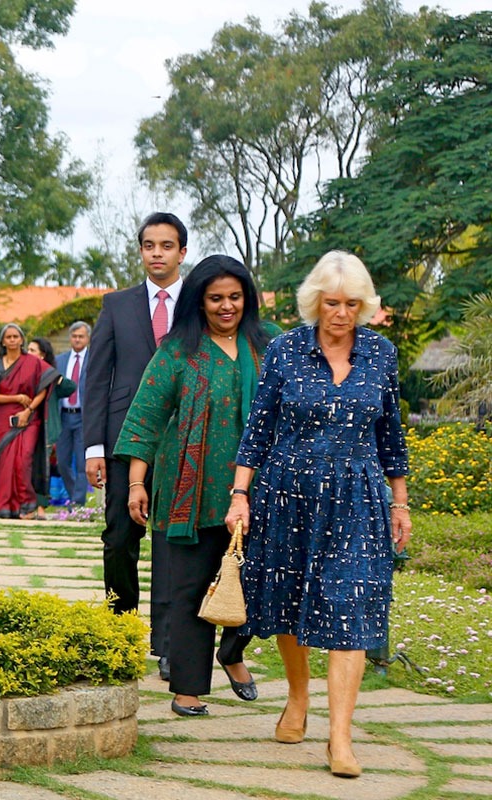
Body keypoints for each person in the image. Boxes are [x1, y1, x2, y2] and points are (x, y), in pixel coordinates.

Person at [226, 251, 411, 779]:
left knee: (349, 604)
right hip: (288, 494)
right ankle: (299, 698)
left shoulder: (381, 354)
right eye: (332, 303)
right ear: (315, 302)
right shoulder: (285, 351)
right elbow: (258, 429)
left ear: (364, 305)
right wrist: (240, 495)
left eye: (352, 304)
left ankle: (340, 738)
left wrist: (400, 502)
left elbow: (390, 435)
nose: (341, 313)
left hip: (358, 496)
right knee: (289, 601)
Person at [114, 255, 277, 717]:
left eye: (235, 297)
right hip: (192, 492)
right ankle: (188, 689)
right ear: (199, 302)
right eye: (216, 298)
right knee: (190, 590)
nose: (227, 306)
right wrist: (136, 484)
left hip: (259, 492)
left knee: (260, 582)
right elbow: (145, 419)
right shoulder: (178, 352)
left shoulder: (268, 349)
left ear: (248, 298)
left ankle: (232, 651)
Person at [84, 211, 186, 676]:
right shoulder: (116, 305)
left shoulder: (198, 306)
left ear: (182, 252)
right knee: (120, 536)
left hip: (186, 440)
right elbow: (96, 378)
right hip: (125, 440)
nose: (157, 254)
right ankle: (119, 631)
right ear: (141, 251)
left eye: (166, 246)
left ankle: (167, 643)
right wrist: (94, 448)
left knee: (171, 542)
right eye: (149, 246)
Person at [0, 324, 52, 519]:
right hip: (2, 421)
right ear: (3, 341)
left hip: (29, 419)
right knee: (5, 464)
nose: (13, 340)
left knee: (23, 460)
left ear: (22, 340)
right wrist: (17, 398)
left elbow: (45, 386)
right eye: (9, 337)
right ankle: (5, 506)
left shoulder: (33, 362)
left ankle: (27, 505)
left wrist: (29, 409)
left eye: (16, 336)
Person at [26, 337, 76, 517]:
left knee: (42, 470)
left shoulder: (50, 377)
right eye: (28, 349)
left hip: (46, 429)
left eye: (32, 350)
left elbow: (70, 387)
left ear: (42, 354)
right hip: (25, 427)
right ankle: (28, 507)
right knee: (26, 468)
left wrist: (54, 375)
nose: (28, 353)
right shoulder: (23, 372)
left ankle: (40, 508)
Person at [54, 322, 91, 507]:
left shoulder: (94, 359)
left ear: (88, 338)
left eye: (81, 336)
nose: (77, 339)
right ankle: (73, 494)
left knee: (83, 463)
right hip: (63, 416)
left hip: (83, 417)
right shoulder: (59, 360)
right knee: (62, 461)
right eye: (74, 336)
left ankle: (77, 502)